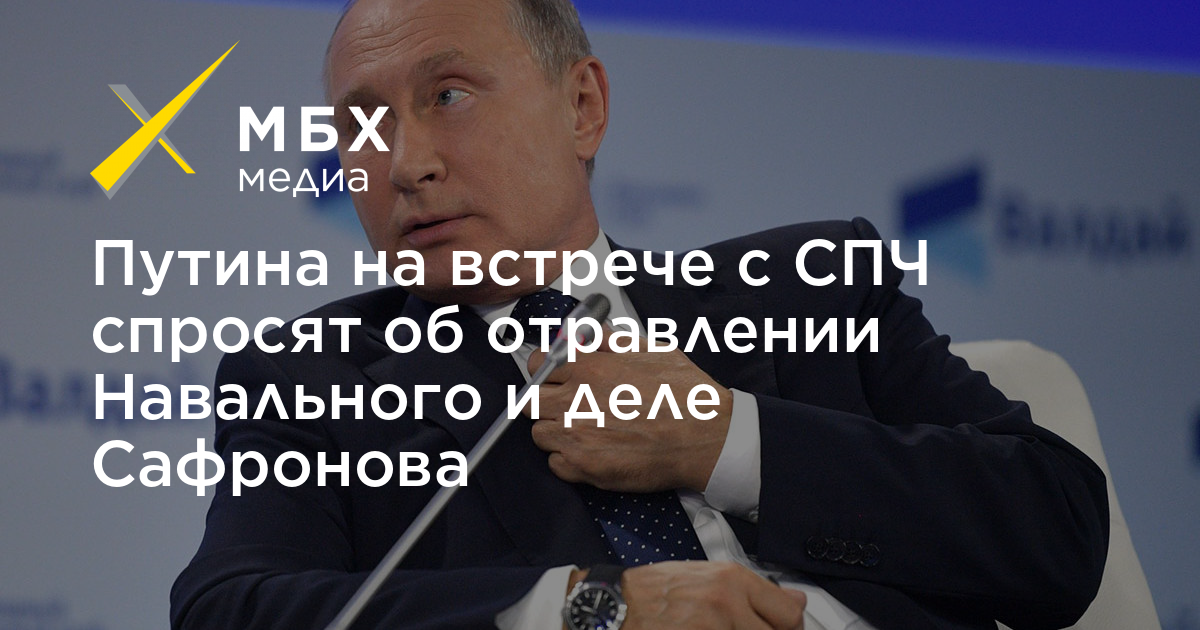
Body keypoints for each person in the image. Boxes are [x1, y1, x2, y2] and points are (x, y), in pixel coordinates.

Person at [170, 0, 1110, 628]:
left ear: (581, 106)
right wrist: (594, 610)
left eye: (448, 96)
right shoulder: (315, 377)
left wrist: (728, 440)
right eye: (362, 126)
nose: (405, 163)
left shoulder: (813, 284)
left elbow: (1058, 527)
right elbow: (228, 610)